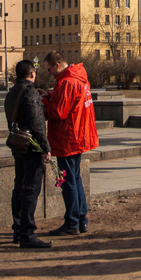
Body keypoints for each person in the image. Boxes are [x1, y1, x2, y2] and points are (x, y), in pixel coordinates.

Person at [41, 51, 98, 236]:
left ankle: (72, 222)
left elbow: (58, 112)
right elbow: (69, 100)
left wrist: (43, 101)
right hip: (79, 134)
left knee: (68, 181)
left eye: (48, 69)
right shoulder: (79, 77)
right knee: (76, 178)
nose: (48, 73)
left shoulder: (66, 82)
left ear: (57, 65)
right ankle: (82, 219)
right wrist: (50, 94)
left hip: (68, 137)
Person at [5, 59, 53, 249]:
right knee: (31, 190)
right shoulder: (30, 92)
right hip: (31, 146)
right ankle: (27, 233)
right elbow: (37, 123)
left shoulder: (12, 91)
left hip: (18, 144)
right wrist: (45, 147)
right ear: (32, 74)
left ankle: (18, 230)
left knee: (19, 187)